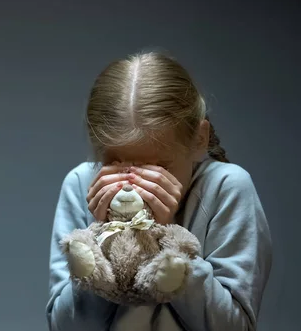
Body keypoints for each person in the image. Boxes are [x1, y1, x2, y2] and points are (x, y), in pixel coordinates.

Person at [45, 51, 273, 331]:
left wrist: (168, 242)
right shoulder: (81, 183)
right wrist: (102, 238)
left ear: (199, 139)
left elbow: (234, 327)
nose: (134, 184)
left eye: (159, 166)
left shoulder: (228, 187)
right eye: (115, 163)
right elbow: (65, 326)